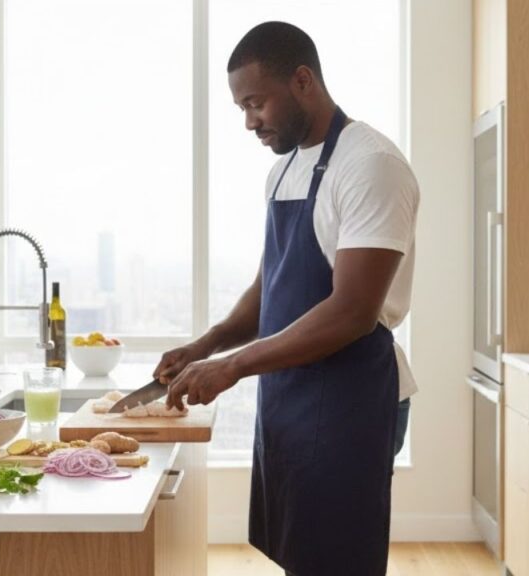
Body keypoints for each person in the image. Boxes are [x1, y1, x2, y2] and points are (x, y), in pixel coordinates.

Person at [156, 21, 420, 576]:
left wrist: (231, 365)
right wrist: (205, 344)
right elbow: (270, 286)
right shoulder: (283, 170)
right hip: (290, 392)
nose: (250, 122)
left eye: (256, 103)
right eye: (241, 108)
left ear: (302, 81)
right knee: (300, 555)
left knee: (338, 560)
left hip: (351, 395)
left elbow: (352, 312)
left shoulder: (370, 163)